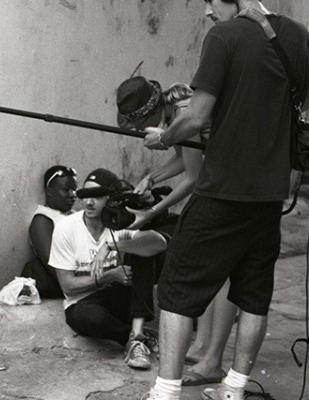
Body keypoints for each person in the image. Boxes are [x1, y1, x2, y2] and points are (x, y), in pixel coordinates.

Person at [141, 1, 309, 399]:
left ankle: (165, 391)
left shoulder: (223, 37)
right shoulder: (294, 33)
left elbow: (196, 116)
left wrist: (164, 137)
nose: (208, 10)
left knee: (174, 289)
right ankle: (234, 388)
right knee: (253, 294)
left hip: (223, 189)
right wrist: (274, 113)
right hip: (270, 195)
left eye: (213, 1)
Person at [116, 75, 238, 386]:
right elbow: (184, 157)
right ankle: (202, 347)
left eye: (140, 125)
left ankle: (211, 353)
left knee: (222, 273)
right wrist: (151, 178)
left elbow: (192, 177)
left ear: (151, 114)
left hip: (232, 186)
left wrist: (146, 216)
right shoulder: (176, 110)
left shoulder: (184, 113)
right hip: (223, 182)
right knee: (214, 270)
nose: (143, 133)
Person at [49, 168, 167, 370]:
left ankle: (138, 332)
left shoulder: (119, 222)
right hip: (84, 301)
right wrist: (110, 275)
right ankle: (132, 338)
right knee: (90, 318)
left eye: (97, 196)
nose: (89, 202)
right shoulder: (66, 227)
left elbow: (160, 244)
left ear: (111, 199)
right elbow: (68, 287)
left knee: (144, 250)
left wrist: (112, 246)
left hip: (120, 295)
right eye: (85, 196)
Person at [21, 165, 78, 298]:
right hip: (66, 282)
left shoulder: (75, 215)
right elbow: (52, 264)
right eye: (66, 190)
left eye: (74, 189)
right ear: (49, 191)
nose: (72, 195)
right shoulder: (43, 220)